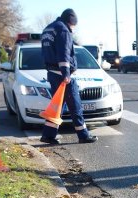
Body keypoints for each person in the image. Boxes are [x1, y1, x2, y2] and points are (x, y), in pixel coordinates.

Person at [40, 8, 97, 145]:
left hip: (52, 72)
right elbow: (63, 53)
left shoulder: (48, 29)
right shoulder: (63, 30)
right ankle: (83, 135)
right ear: (70, 21)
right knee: (75, 104)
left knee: (57, 106)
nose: (73, 28)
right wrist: (66, 73)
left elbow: (47, 52)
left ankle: (48, 135)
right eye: (73, 26)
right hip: (63, 75)